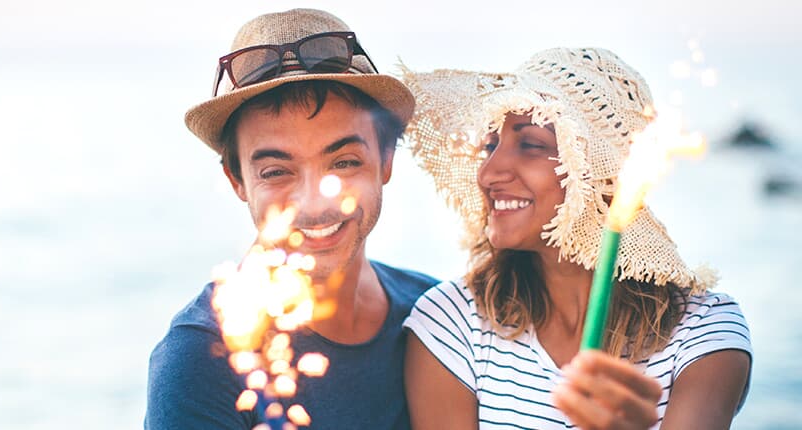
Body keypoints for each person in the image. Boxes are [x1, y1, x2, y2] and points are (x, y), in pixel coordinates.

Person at [399, 48, 752, 429]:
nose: (488, 172)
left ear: (598, 172)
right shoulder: (452, 323)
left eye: (531, 145)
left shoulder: (701, 332)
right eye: (490, 145)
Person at [145, 8, 438, 429]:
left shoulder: (432, 319)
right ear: (237, 180)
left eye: (344, 162)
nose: (314, 201)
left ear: (386, 161)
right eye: (277, 172)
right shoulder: (201, 361)